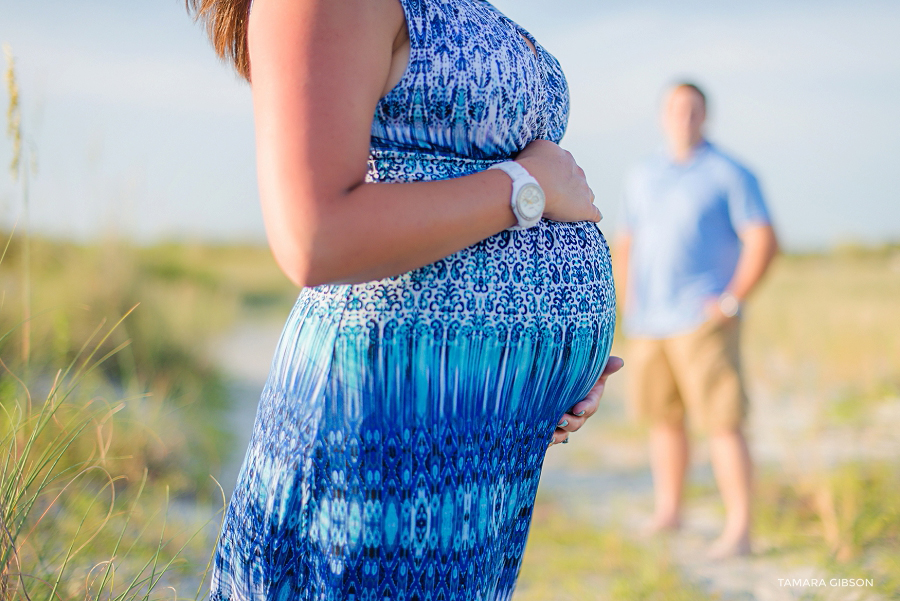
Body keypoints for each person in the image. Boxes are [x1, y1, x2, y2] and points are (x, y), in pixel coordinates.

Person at [187, 0, 620, 598]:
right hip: (376, 426)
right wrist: (528, 188)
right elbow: (315, 235)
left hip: (475, 441)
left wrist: (535, 379)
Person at [615, 82, 778, 559]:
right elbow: (627, 242)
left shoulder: (731, 173)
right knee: (664, 422)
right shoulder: (642, 174)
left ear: (706, 116)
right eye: (674, 108)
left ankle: (740, 531)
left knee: (723, 423)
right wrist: (630, 305)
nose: (683, 117)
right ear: (662, 115)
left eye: (692, 109)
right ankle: (670, 512)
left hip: (702, 321)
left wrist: (730, 301)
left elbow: (763, 239)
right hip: (650, 323)